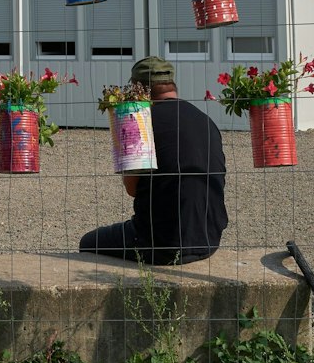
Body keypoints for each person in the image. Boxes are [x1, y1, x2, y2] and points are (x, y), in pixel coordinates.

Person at [79, 56, 228, 266]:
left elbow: (131, 188)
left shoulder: (138, 123)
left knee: (88, 243)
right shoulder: (205, 120)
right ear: (172, 85)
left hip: (158, 244)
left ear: (137, 90)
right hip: (208, 240)